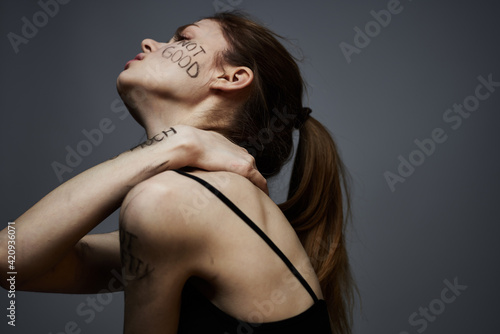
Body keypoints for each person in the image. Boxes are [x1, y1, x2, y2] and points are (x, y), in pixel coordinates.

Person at [0, 12, 357, 334]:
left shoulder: (170, 202)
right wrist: (175, 146)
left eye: (184, 39)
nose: (149, 43)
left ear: (231, 77)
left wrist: (175, 145)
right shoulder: (193, 204)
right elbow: (12, 261)